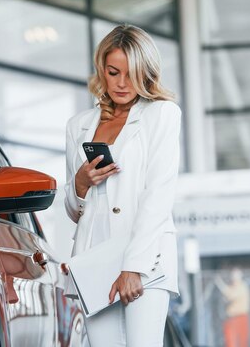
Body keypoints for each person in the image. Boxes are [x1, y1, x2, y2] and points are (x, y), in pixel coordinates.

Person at [64, 24, 181, 346]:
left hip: (145, 256)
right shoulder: (79, 126)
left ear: (146, 73)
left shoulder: (162, 114)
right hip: (94, 258)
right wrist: (80, 183)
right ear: (102, 68)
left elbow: (159, 193)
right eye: (113, 72)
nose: (121, 83)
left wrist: (134, 266)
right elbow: (74, 212)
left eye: (131, 73)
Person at [215, 268, 250, 347]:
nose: (233, 278)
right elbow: (227, 297)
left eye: (234, 276)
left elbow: (230, 295)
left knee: (240, 342)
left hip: (239, 318)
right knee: (230, 341)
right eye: (232, 275)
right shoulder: (234, 286)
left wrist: (219, 283)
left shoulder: (242, 287)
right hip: (231, 319)